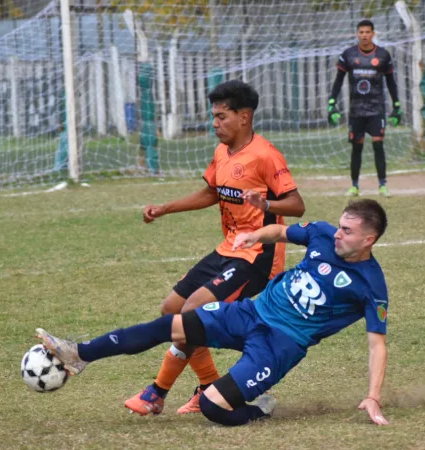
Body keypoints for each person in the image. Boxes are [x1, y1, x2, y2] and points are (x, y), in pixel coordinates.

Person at [36, 199, 391, 426]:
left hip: (280, 345)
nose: (338, 234)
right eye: (340, 226)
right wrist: (255, 236)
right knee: (168, 325)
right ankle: (80, 354)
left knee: (212, 408)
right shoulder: (322, 235)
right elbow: (281, 230)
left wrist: (373, 395)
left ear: (368, 240)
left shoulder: (371, 286)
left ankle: (260, 408)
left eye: (347, 231)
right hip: (249, 312)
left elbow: (377, 345)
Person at [125, 80, 306, 415]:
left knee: (193, 313)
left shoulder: (265, 155)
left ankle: (156, 392)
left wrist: (264, 203)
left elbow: (296, 205)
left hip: (257, 256)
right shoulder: (222, 152)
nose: (215, 123)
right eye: (214, 116)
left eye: (222, 116)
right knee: (171, 309)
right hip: (228, 249)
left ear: (244, 117)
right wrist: (166, 208)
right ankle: (208, 385)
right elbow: (211, 193)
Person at [327, 19, 402, 197]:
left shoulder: (383, 55)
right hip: (356, 110)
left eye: (368, 32)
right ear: (357, 34)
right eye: (361, 32)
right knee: (357, 148)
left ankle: (382, 185)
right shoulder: (349, 55)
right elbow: (338, 80)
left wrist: (396, 105)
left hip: (376, 109)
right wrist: (332, 103)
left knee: (378, 145)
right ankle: (354, 186)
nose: (364, 35)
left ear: (373, 34)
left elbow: (391, 81)